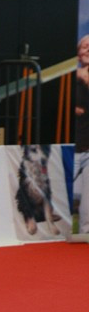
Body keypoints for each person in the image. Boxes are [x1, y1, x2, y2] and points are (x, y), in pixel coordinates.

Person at [74, 34, 89, 236]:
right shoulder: (72, 77)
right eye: (85, 46)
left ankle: (86, 231)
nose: (88, 50)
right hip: (71, 145)